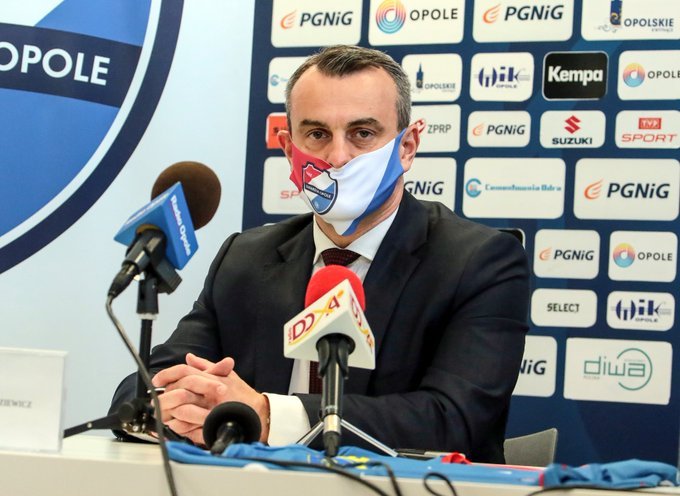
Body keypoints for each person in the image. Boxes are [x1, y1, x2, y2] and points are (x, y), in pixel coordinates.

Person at [110, 45, 529, 463]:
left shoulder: (479, 262)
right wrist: (175, 403)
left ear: (407, 147)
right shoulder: (245, 258)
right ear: (289, 150)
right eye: (317, 135)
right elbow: (146, 384)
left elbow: (455, 420)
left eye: (362, 134)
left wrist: (268, 415)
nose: (338, 157)